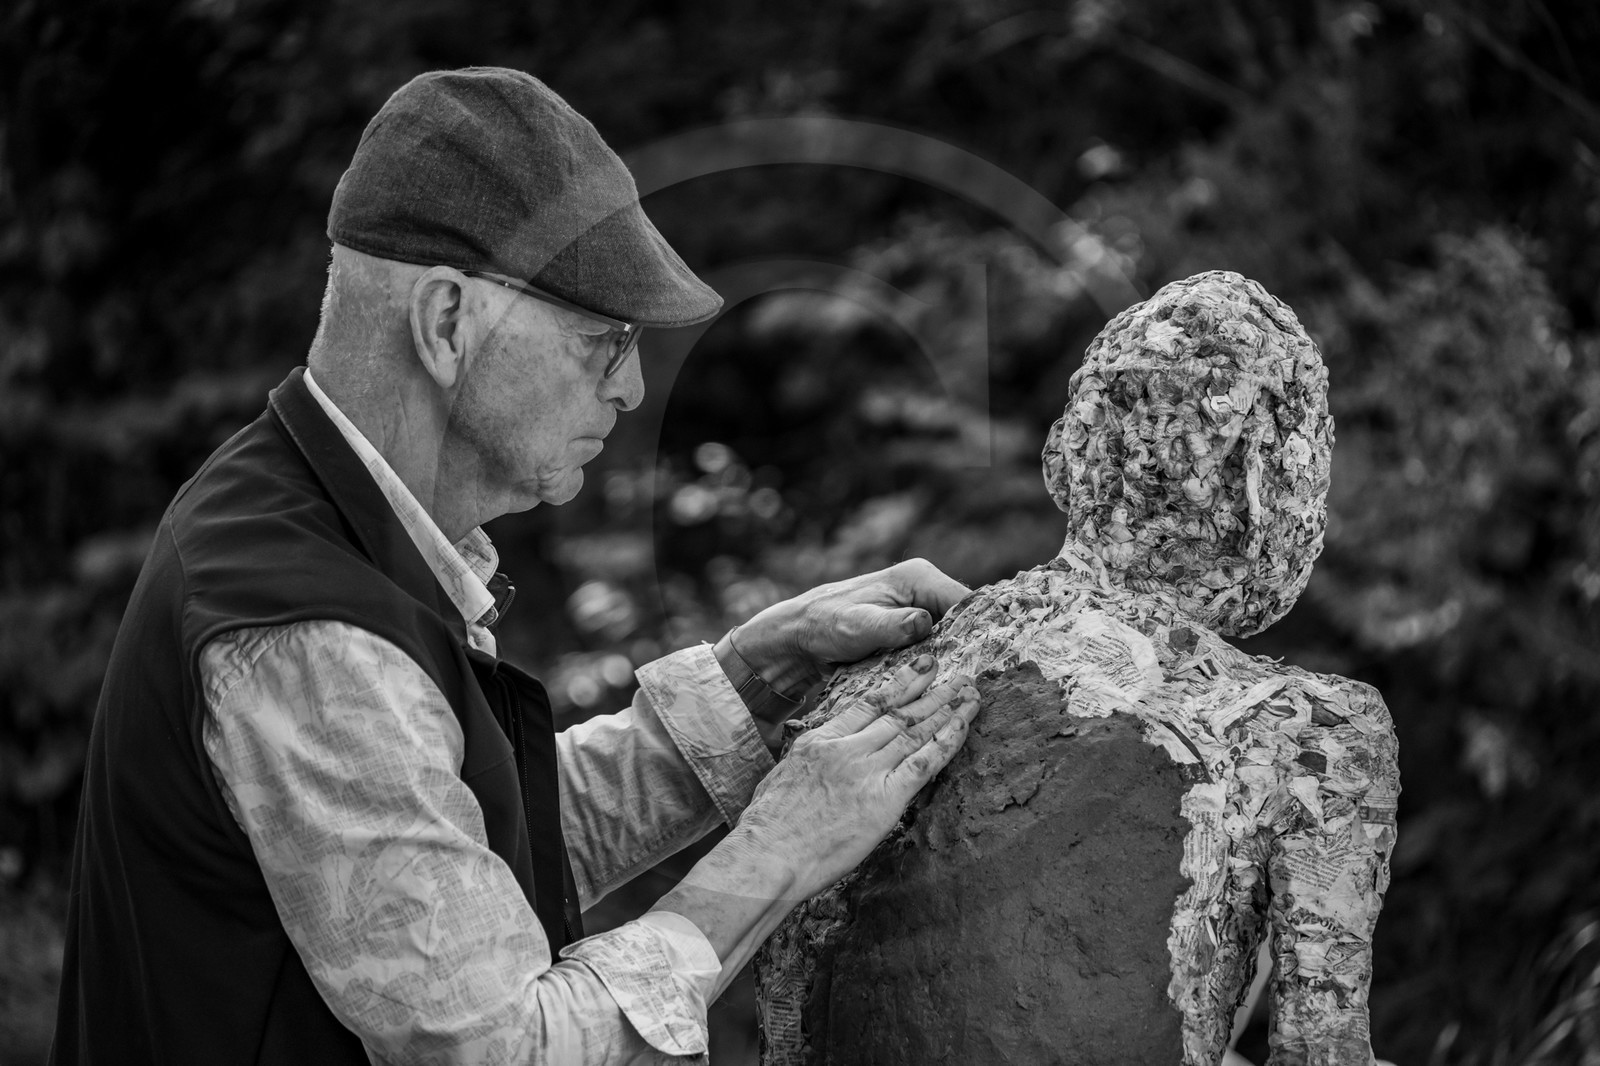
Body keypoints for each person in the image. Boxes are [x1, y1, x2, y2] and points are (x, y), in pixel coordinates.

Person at [49, 67, 982, 1066]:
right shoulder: (309, 632)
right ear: (446, 322)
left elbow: (446, 875)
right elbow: (505, 1048)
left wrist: (752, 685)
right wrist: (776, 855)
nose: (629, 388)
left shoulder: (307, 525)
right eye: (603, 336)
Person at [759, 272, 1401, 1066]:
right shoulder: (1306, 730)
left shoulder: (869, 677)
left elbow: (788, 1015)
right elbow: (1322, 1052)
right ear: (1270, 484)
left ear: (1073, 449)